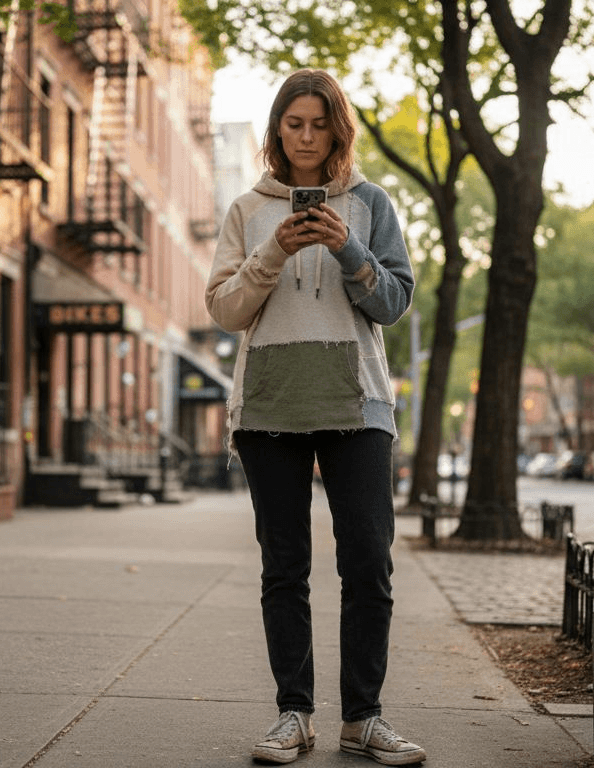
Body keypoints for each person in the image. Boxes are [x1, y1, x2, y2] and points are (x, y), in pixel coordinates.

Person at [204, 69, 424, 766]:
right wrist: (277, 250)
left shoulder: (369, 204)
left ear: (337, 129)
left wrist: (345, 248)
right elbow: (225, 309)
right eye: (292, 124)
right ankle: (292, 714)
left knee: (368, 565)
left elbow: (392, 303)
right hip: (269, 406)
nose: (305, 136)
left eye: (317, 123)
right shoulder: (246, 210)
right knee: (285, 568)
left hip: (356, 404)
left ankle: (363, 718)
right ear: (276, 133)